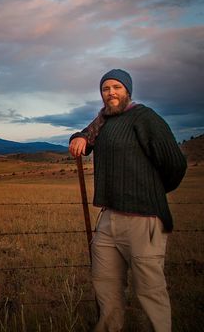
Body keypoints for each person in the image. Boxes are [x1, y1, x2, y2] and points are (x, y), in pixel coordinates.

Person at [69, 69, 187, 332]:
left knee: (149, 289)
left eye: (117, 87)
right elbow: (87, 136)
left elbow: (175, 164)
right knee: (105, 283)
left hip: (143, 218)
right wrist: (78, 136)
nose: (111, 92)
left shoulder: (145, 118)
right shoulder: (104, 120)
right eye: (105, 88)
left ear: (128, 90)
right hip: (109, 219)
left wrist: (151, 192)